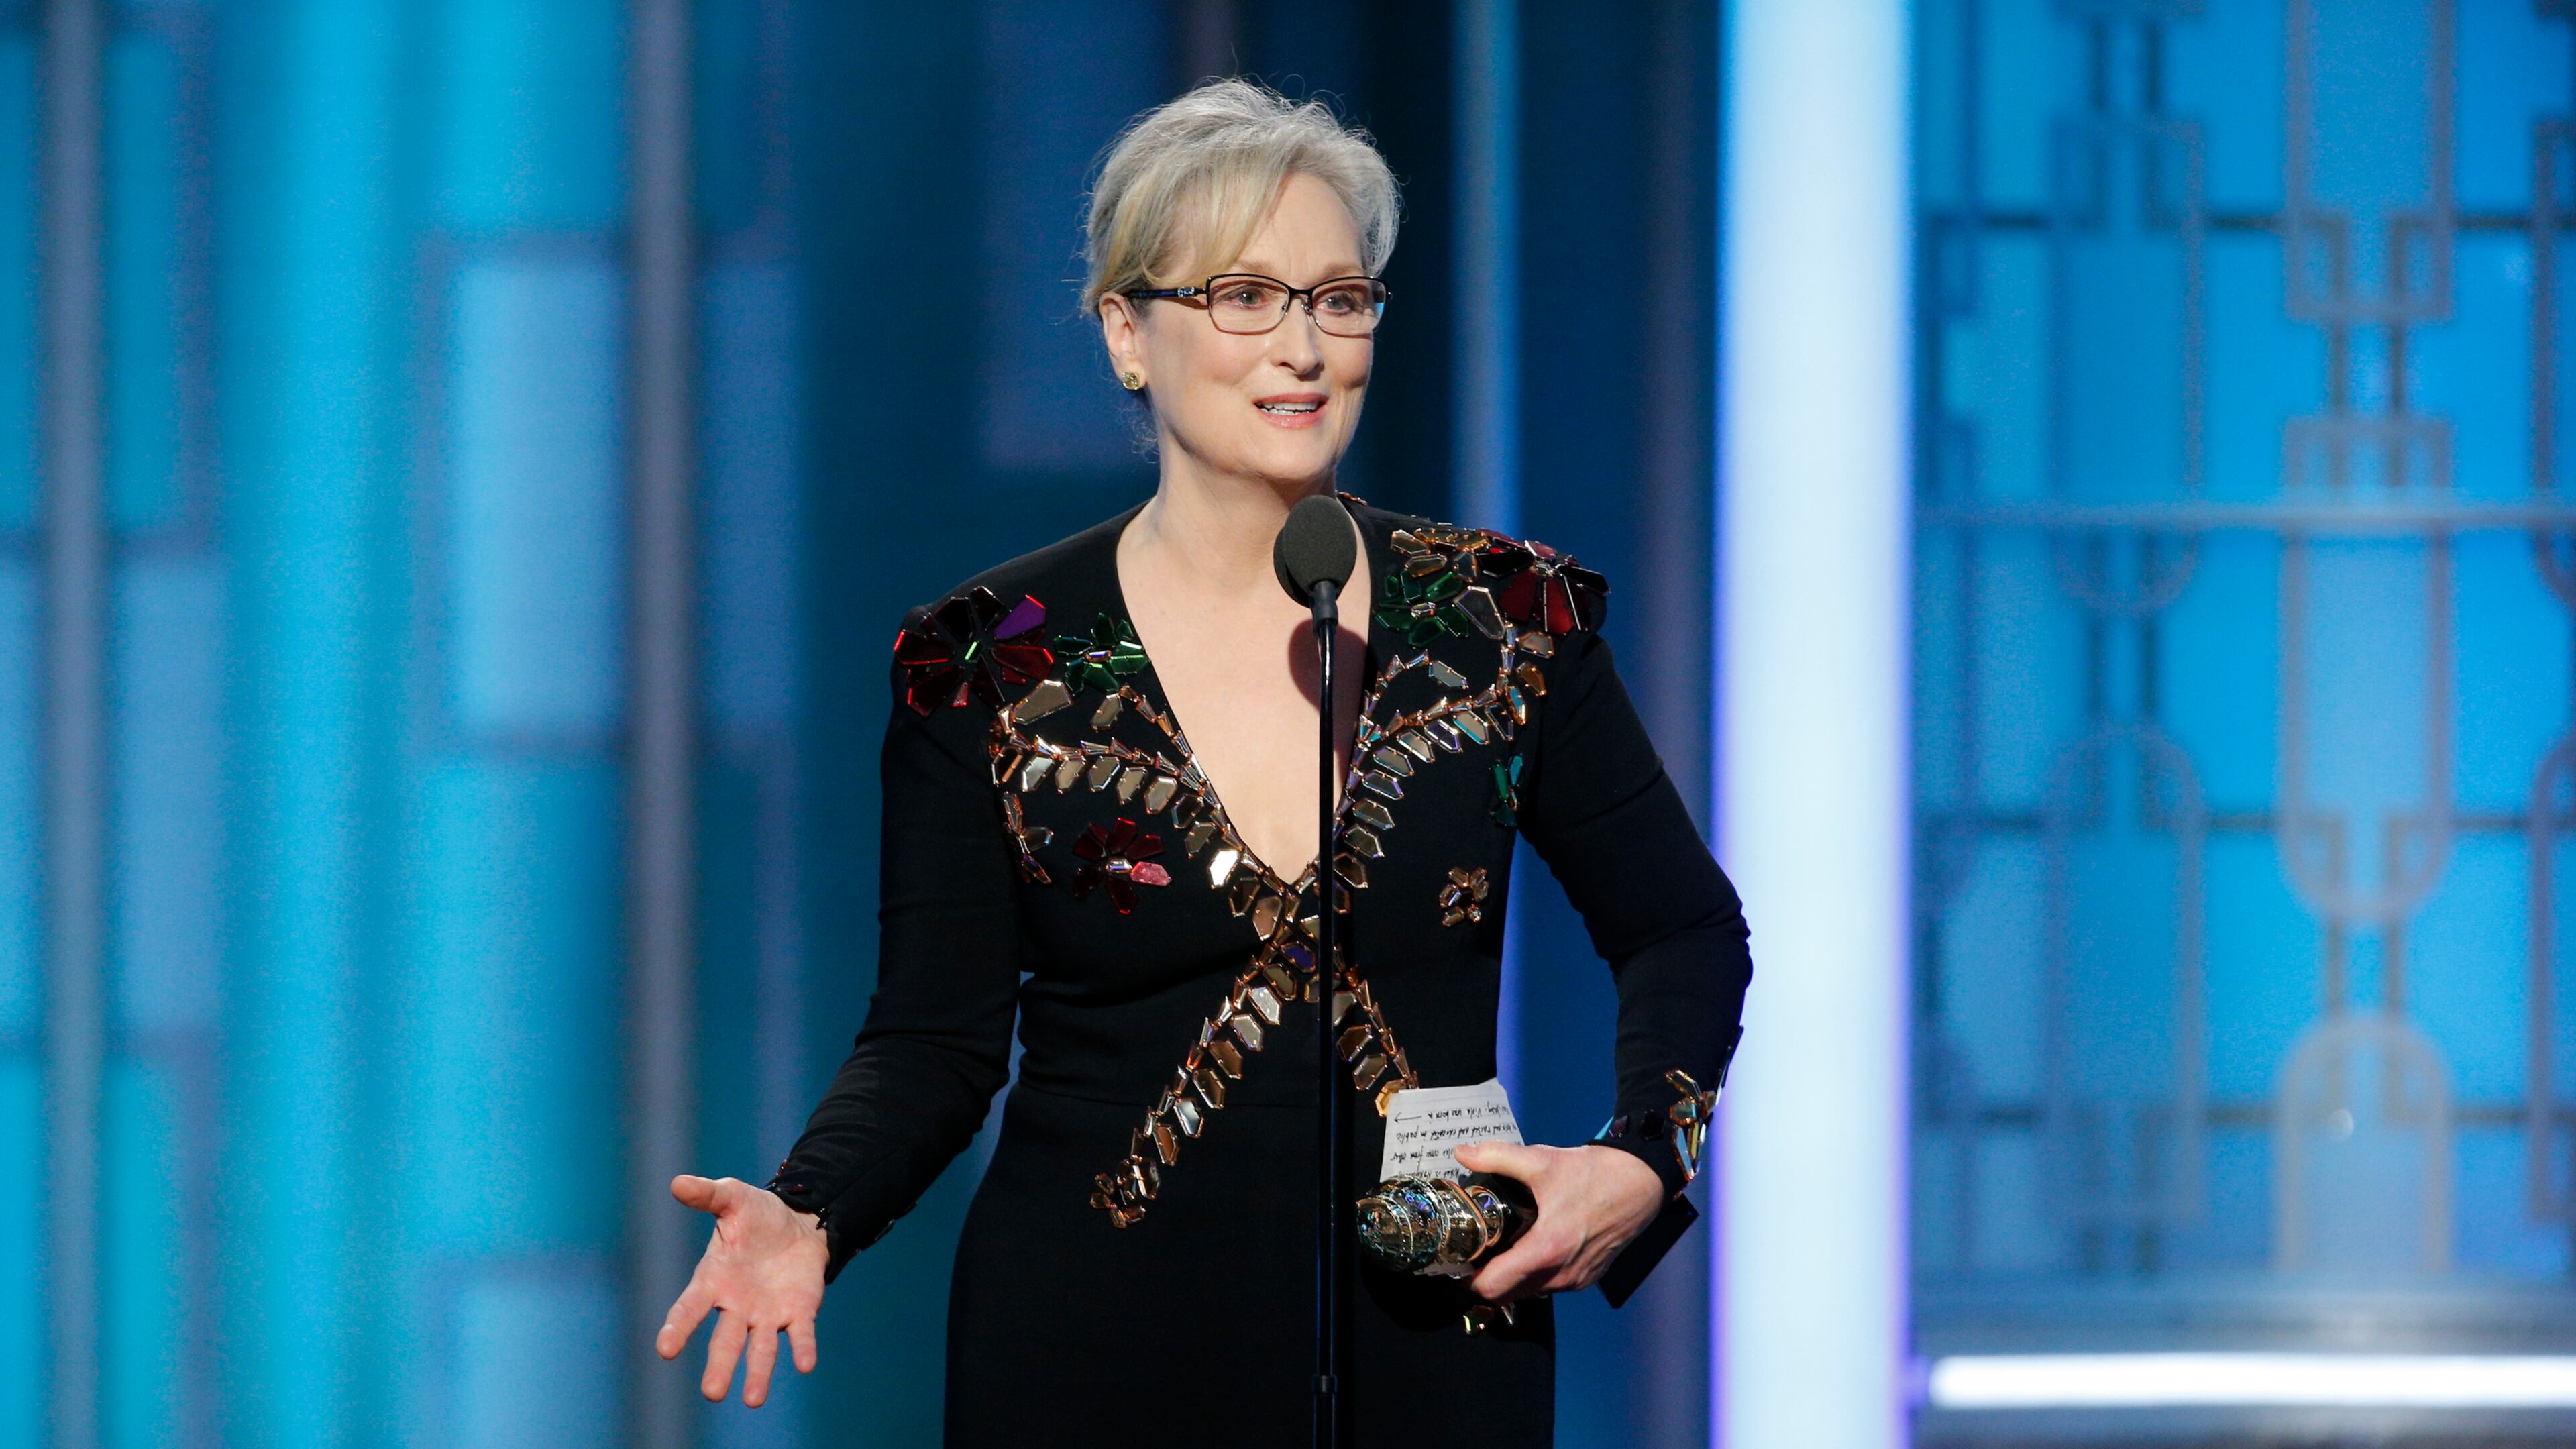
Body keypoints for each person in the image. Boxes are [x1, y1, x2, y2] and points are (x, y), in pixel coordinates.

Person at [654, 78, 1751, 1446]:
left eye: (1339, 299)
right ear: (1128, 332)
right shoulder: (996, 664)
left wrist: (1646, 1161)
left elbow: (1684, 928)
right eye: (1244, 297)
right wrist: (812, 1205)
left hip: (1435, 1333)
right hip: (1091, 1348)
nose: (1302, 348)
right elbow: (934, 1041)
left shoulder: (1501, 625)